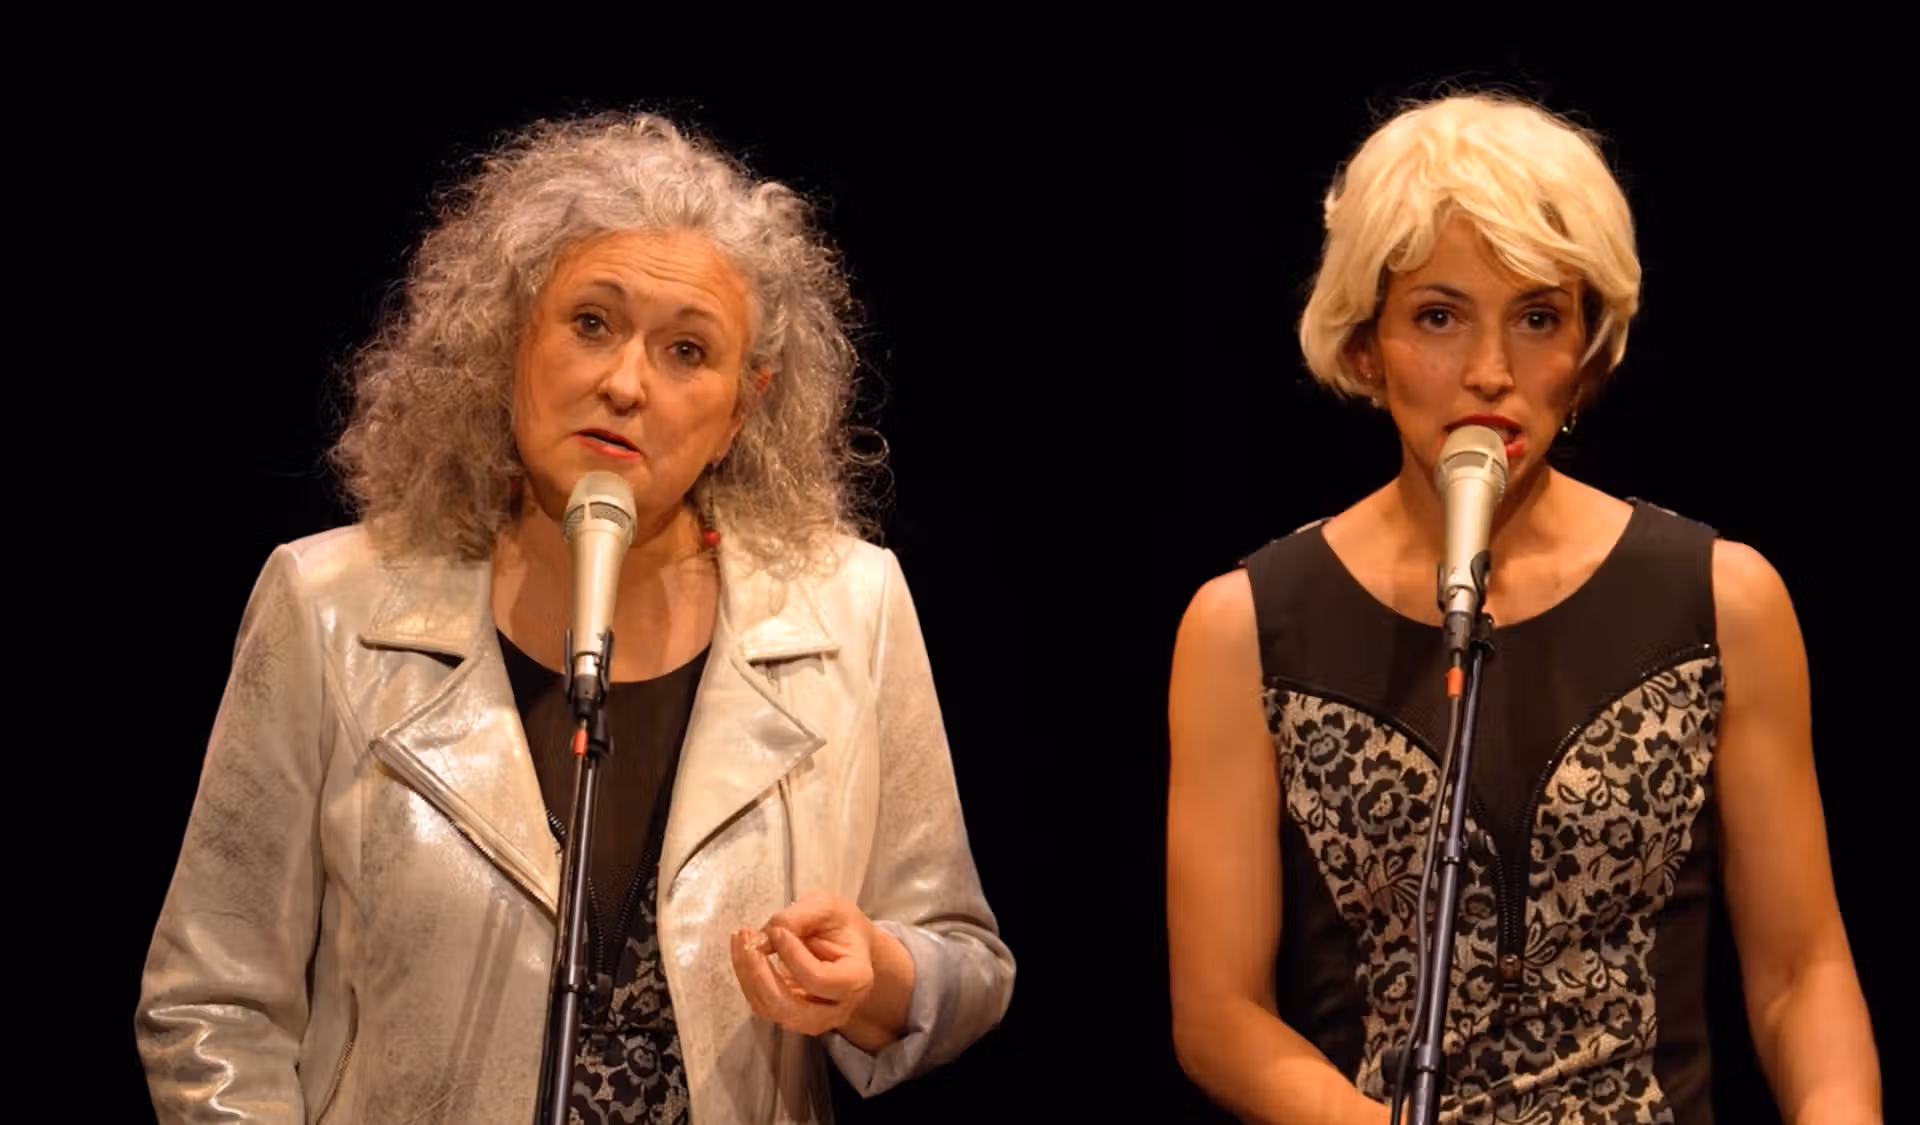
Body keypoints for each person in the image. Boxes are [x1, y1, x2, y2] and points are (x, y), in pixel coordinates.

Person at [136, 111, 1014, 1125]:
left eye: (689, 350)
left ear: (743, 408)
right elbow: (213, 1007)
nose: (626, 383)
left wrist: (877, 981)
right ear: (509, 347)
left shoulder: (853, 608)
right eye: (591, 323)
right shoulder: (327, 606)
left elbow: (965, 961)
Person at [1166, 93, 1880, 1124]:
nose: (1492, 373)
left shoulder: (1724, 599)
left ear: (1589, 349)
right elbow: (1221, 1013)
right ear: (1366, 344)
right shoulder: (1243, 627)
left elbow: (1801, 971)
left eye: (1538, 318)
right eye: (1440, 317)